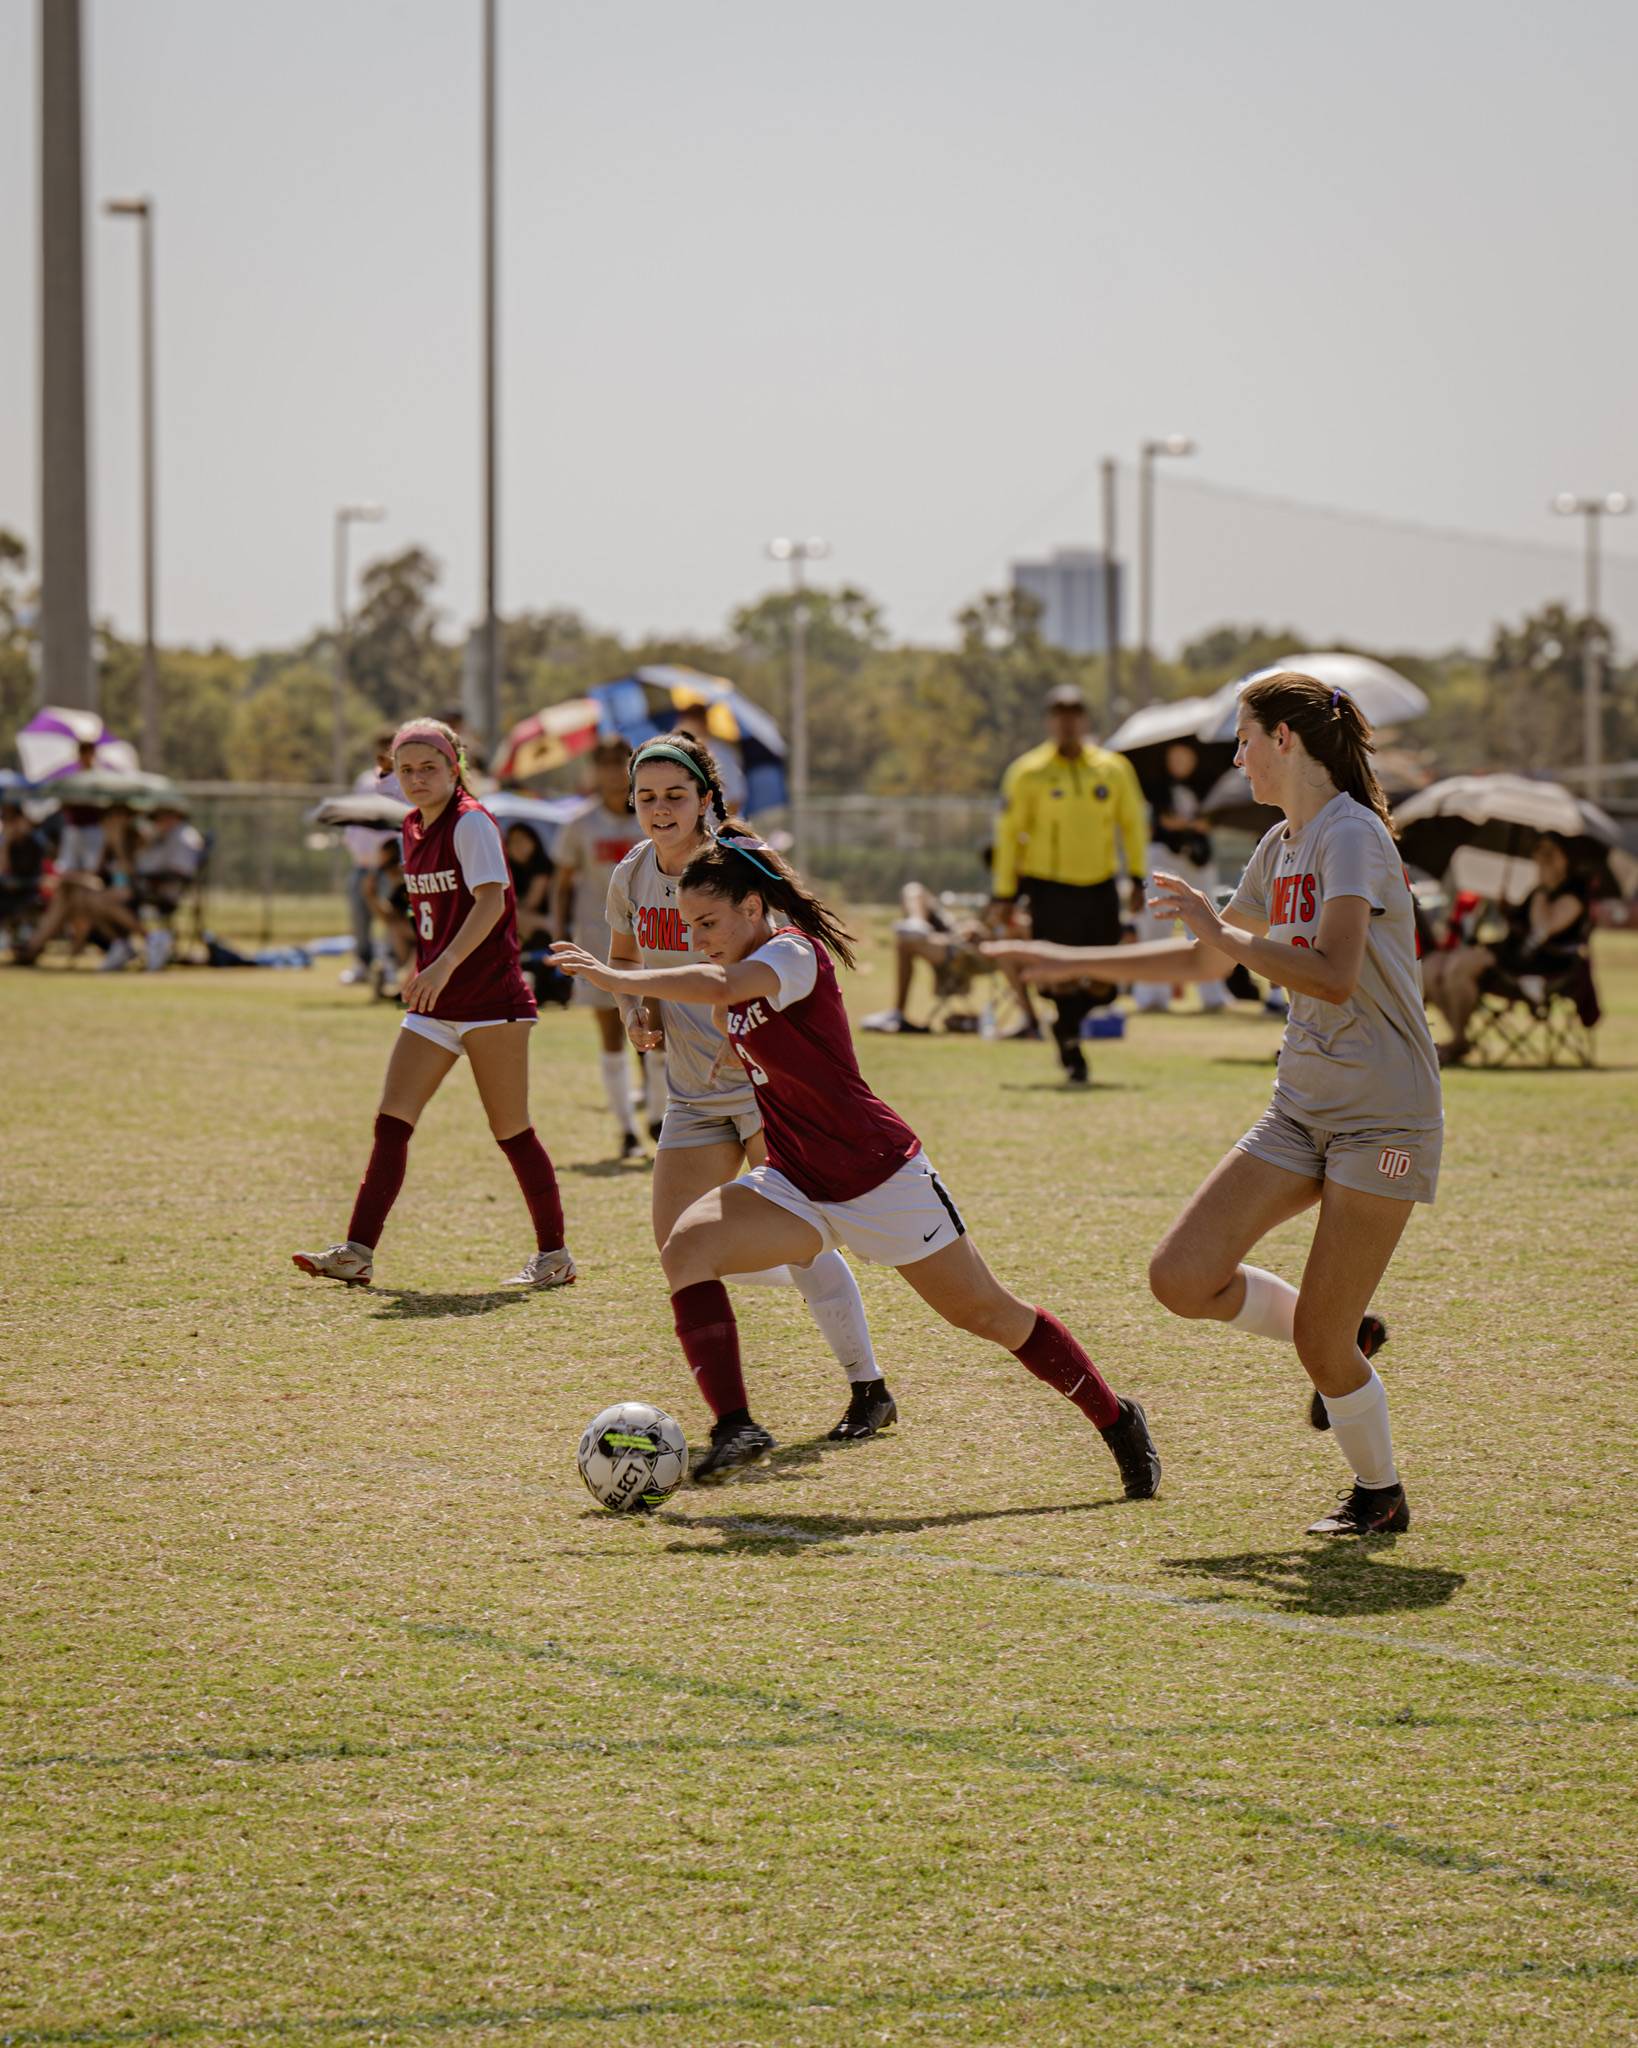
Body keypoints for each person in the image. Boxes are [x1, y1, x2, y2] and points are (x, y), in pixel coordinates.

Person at [553, 833, 1161, 1490]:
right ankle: (736, 1426)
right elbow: (764, 1031)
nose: (698, 938)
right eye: (689, 926)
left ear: (754, 907)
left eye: (708, 923)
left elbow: (727, 984)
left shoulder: (790, 953)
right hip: (795, 1179)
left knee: (986, 1314)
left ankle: (1117, 1417)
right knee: (687, 1247)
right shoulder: (742, 965)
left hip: (879, 1176)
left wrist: (617, 976)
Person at [988, 672, 1438, 1537]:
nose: (1235, 759)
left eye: (1244, 740)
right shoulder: (1281, 844)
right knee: (1181, 1278)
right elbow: (1202, 963)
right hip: (1302, 1105)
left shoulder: (1352, 836)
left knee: (1318, 1340)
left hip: (1384, 1117)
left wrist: (1223, 932)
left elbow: (1335, 976)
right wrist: (1057, 957)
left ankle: (1379, 1494)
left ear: (1285, 742)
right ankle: (1350, 1336)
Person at [600, 733, 899, 1442]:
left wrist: (746, 1026)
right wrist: (634, 1009)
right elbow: (621, 957)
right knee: (681, 1251)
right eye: (646, 798)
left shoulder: (742, 866)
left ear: (706, 798)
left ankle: (867, 1388)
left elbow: (797, 972)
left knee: (796, 1242)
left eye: (676, 795)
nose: (660, 809)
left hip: (767, 1090)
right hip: (692, 1094)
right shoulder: (632, 874)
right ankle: (744, 1412)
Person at [292, 717, 574, 1291]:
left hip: (490, 999)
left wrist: (441, 964)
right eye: (406, 769)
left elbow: (491, 903)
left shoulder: (471, 823)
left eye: (429, 767)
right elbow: (431, 916)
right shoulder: (411, 827)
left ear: (455, 768)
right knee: (391, 1122)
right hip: (435, 1003)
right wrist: (420, 963)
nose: (417, 778)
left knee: (511, 1130)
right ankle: (357, 1251)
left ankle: (555, 1256)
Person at [991, 684, 1148, 1084]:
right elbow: (1009, 836)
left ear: (1085, 719)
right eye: (1059, 713)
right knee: (1057, 975)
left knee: (1104, 980)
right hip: (1049, 886)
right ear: (1049, 720)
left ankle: (1067, 1026)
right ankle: (1070, 1042)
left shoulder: (1112, 769)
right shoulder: (1028, 771)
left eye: (1074, 713)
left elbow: (1132, 825)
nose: (1067, 721)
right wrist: (1004, 892)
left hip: (1099, 885)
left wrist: (1138, 878)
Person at [550, 738, 655, 1159]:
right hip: (597, 940)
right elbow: (561, 885)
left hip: (652, 940)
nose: (613, 774)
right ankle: (626, 1130)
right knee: (611, 1032)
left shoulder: (651, 817)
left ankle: (660, 1117)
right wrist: (560, 937)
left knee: (658, 1031)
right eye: (605, 765)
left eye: (620, 765)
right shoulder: (581, 824)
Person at [1420, 833, 1593, 1065]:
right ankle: (1457, 1036)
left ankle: (1459, 1039)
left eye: (1551, 853)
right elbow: (1520, 926)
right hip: (1511, 956)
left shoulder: (1573, 894)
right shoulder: (1537, 891)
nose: (1543, 858)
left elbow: (1542, 929)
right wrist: (1507, 909)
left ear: (1567, 858)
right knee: (1431, 969)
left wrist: (1542, 887)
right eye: (1539, 852)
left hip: (1541, 965)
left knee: (1457, 968)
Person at [862, 880, 1042, 1038]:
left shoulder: (1025, 909)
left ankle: (897, 1014)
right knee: (914, 890)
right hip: (956, 934)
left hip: (966, 951)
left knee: (905, 942)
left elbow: (1014, 936)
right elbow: (983, 922)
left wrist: (985, 934)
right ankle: (917, 922)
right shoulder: (1002, 892)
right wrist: (970, 927)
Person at [1132, 740, 1229, 1015]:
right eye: (1175, 758)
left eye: (1185, 758)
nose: (1180, 763)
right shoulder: (1156, 788)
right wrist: (1186, 825)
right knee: (1157, 922)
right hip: (1165, 857)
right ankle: (1152, 993)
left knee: (1207, 923)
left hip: (1198, 861)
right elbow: (1162, 823)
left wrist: (1198, 825)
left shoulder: (1209, 786)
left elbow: (1212, 820)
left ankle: (1213, 991)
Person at [341, 731, 405, 987]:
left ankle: (389, 962)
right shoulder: (365, 781)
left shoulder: (403, 781)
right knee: (360, 915)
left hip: (390, 866)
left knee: (391, 917)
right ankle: (362, 963)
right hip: (363, 863)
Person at [133, 804, 206, 970]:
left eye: (160, 817)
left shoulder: (184, 837)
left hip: (164, 891)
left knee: (113, 900)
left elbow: (181, 871)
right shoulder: (165, 836)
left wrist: (148, 878)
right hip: (152, 886)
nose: (157, 822)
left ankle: (152, 940)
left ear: (173, 816)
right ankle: (146, 941)